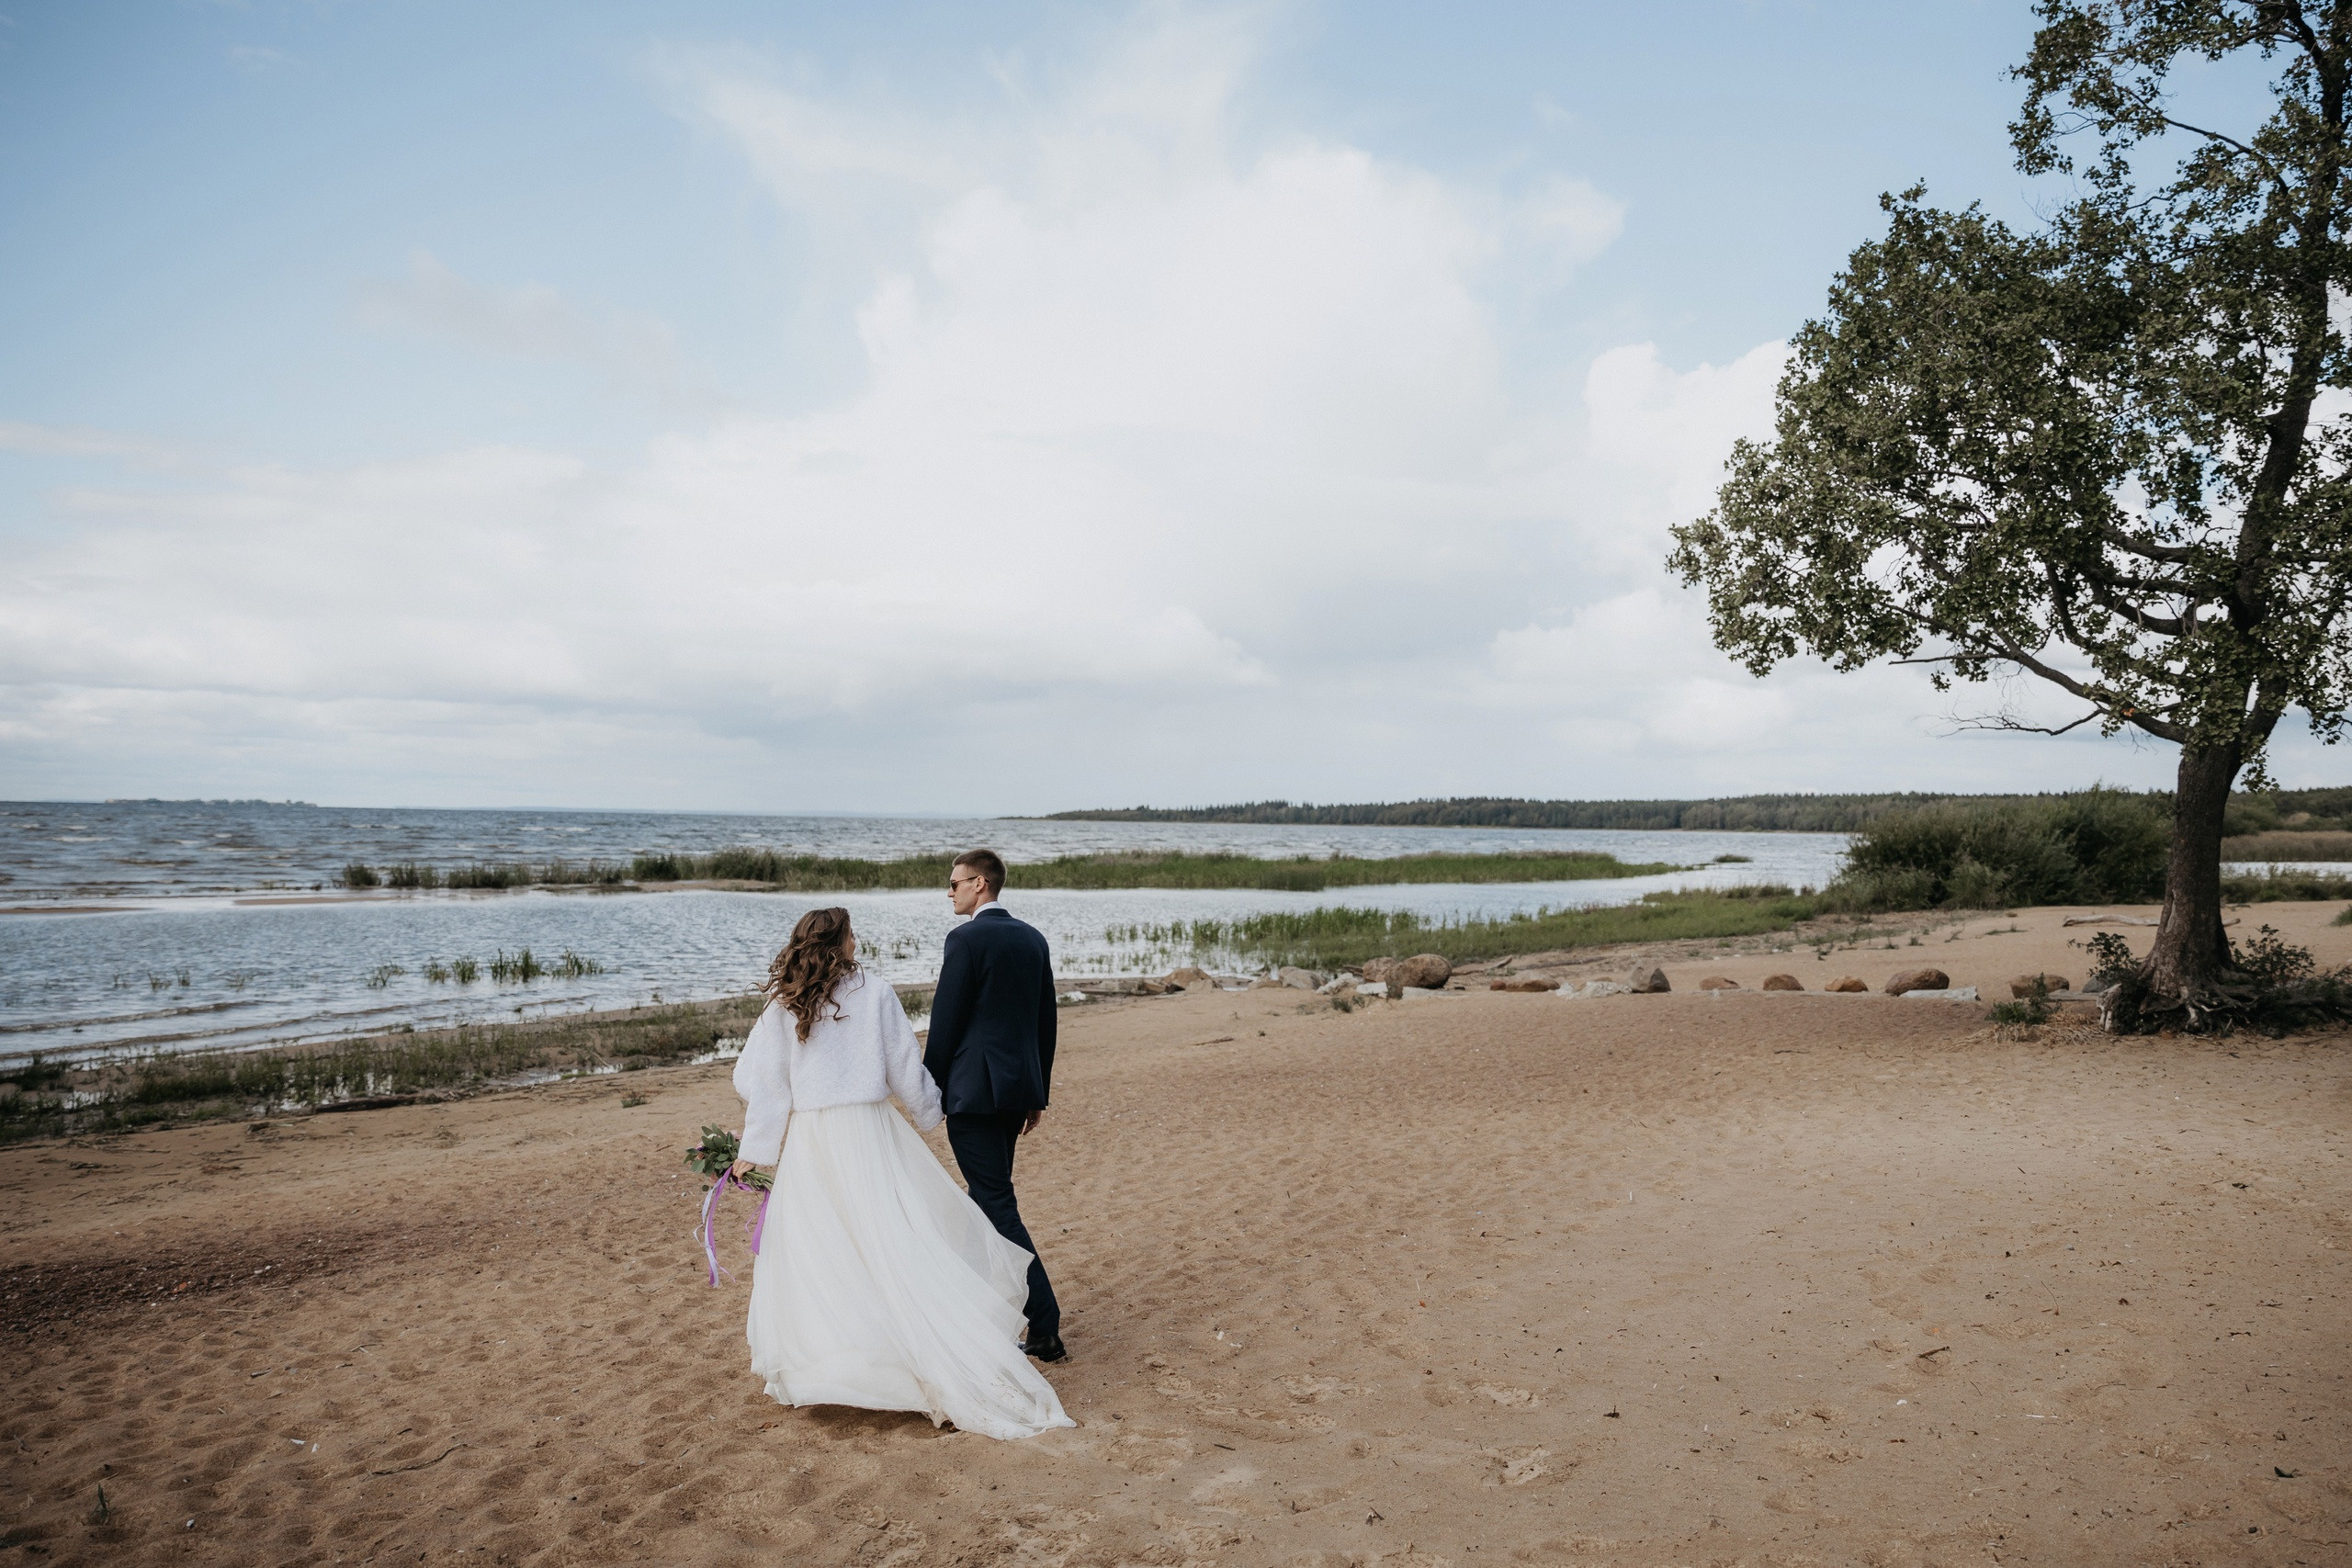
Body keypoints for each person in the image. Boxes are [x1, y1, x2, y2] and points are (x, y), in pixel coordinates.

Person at [729, 905, 1071, 1439]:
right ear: (841, 943)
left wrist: (757, 1148)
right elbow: (904, 1069)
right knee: (891, 1237)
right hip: (870, 1132)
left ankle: (834, 1360)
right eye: (852, 935)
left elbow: (763, 1083)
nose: (856, 942)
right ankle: (909, 1350)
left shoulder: (784, 1002)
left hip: (815, 1140)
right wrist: (933, 1113)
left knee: (823, 1245)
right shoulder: (876, 992)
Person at [923, 848, 1067, 1361]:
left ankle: (1046, 1325)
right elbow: (1044, 1022)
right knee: (986, 1200)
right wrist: (1036, 1093)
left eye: (956, 883)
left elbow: (946, 1024)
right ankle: (986, 1306)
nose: (950, 891)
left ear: (980, 884)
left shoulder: (963, 940)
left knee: (995, 1203)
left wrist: (929, 1089)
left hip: (974, 1096)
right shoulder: (1033, 938)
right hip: (1012, 1094)